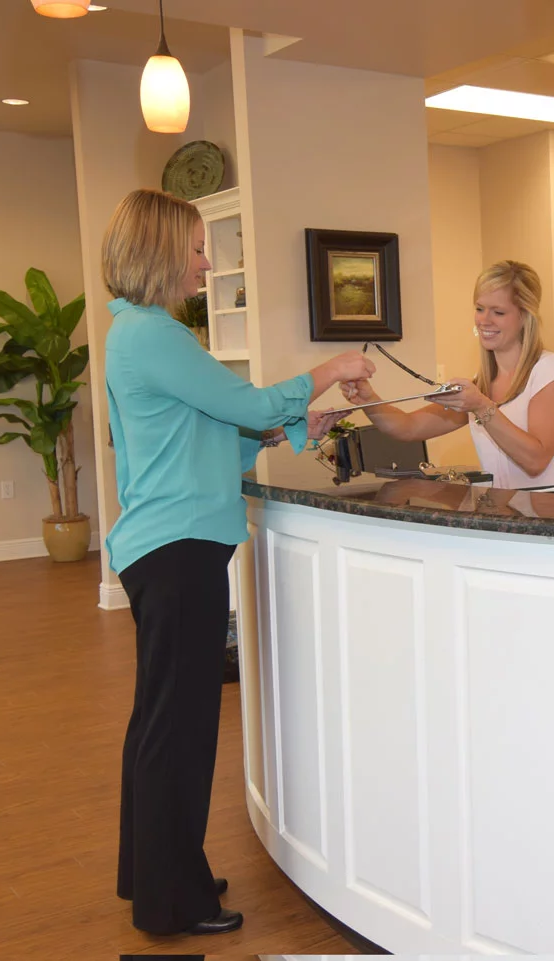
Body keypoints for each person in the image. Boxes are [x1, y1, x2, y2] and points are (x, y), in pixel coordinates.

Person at [100, 188, 374, 936]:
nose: (203, 261)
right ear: (160, 253)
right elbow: (249, 403)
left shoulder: (135, 334)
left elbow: (213, 432)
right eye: (194, 248)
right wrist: (326, 373)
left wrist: (294, 422)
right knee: (179, 728)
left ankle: (156, 873)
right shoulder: (154, 335)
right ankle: (173, 900)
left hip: (164, 543)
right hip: (176, 547)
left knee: (159, 721)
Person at [339, 260, 554, 489]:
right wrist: (368, 400)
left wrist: (480, 407)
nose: (484, 320)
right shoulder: (483, 386)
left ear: (524, 316)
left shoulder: (551, 371)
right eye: (480, 309)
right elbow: (408, 428)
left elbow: (535, 461)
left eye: (498, 312)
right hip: (509, 513)